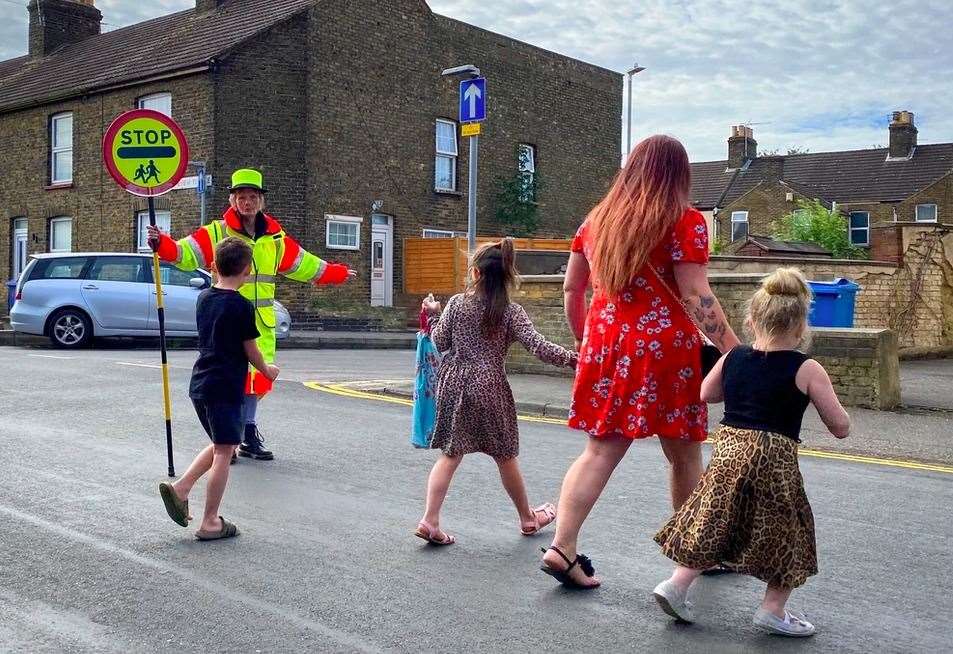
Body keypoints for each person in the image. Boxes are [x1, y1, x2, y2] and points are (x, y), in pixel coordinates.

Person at [540, 135, 740, 589]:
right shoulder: (684, 221)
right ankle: (695, 552)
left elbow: (573, 290)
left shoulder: (596, 221)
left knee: (598, 450)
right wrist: (734, 350)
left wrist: (586, 339)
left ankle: (562, 546)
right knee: (683, 453)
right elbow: (695, 296)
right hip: (666, 352)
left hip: (606, 346)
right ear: (678, 175)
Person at [652, 268, 851, 636]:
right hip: (773, 458)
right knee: (791, 531)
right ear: (800, 328)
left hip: (729, 450)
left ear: (751, 320)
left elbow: (706, 395)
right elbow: (839, 427)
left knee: (714, 520)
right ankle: (773, 609)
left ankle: (676, 585)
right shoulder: (807, 368)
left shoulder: (734, 357)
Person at [148, 168, 354, 461]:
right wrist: (162, 244)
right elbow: (185, 253)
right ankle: (227, 439)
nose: (247, 202)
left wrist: (337, 273)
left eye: (253, 197)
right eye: (241, 197)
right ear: (232, 200)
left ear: (261, 201)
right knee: (228, 379)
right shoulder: (217, 231)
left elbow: (303, 263)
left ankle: (244, 433)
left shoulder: (275, 237)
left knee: (257, 380)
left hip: (261, 321)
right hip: (226, 316)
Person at [416, 239, 578, 545]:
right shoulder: (510, 312)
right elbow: (537, 345)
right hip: (490, 385)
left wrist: (434, 314)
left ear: (475, 273)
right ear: (506, 277)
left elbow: (438, 343)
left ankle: (430, 520)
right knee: (505, 456)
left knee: (450, 454)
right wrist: (571, 359)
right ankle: (528, 519)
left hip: (454, 382)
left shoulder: (456, 305)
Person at [158, 237, 280, 540]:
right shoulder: (240, 305)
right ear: (247, 270)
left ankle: (181, 488)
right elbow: (250, 350)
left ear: (213, 266)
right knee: (226, 451)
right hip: (225, 385)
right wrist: (268, 371)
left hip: (201, 384)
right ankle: (210, 521)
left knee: (221, 444)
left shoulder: (205, 298)